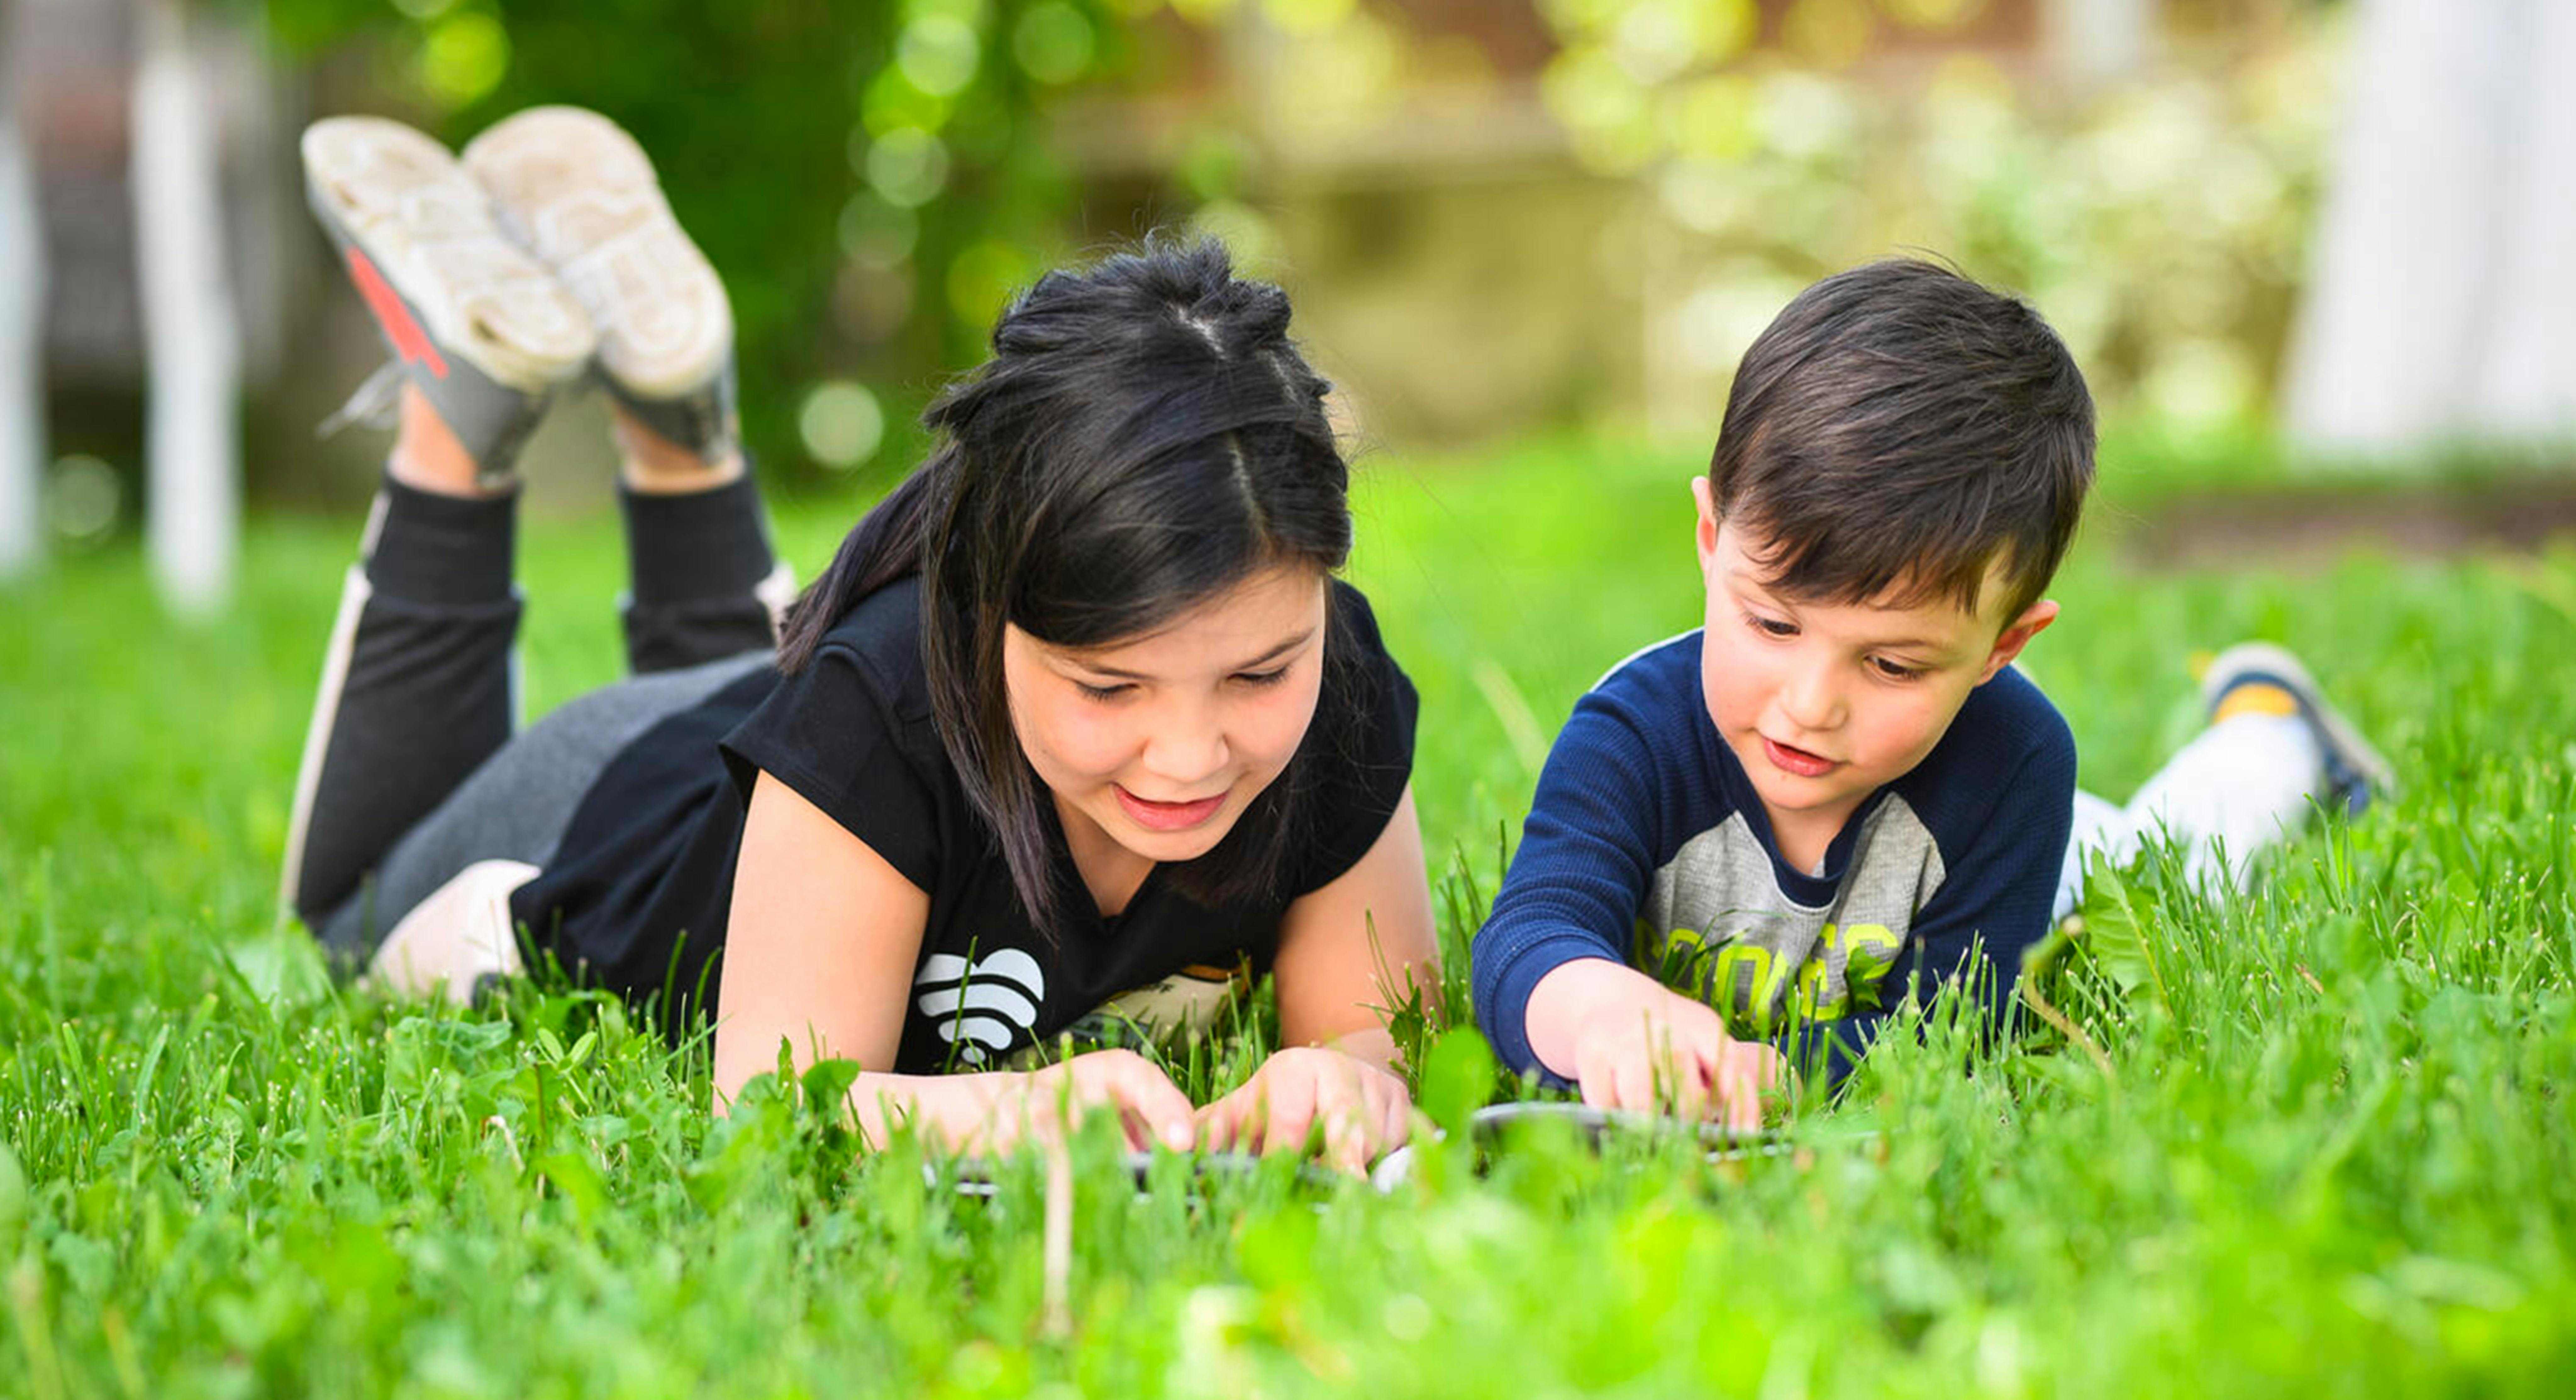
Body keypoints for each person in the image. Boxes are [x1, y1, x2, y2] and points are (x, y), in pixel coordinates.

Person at [281, 108, 1437, 1170]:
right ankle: (463, 410)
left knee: (813, 702)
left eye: (1259, 673)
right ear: (988, 613)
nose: (1188, 755)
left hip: (779, 744)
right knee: (340, 925)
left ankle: (682, 416)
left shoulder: (1337, 676)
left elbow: (1374, 1047)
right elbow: (779, 1107)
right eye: (1110, 688)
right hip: (594, 823)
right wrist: (1018, 1110)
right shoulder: (879, 707)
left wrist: (1339, 1085)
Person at [1468, 260, 2388, 1126]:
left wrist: (1779, 1081)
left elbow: (1953, 1030)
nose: (1810, 704)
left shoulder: (2017, 766)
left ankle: (2275, 731)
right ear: (1712, 541)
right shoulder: (1633, 735)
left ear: (2005, 644)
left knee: (2189, 850)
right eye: (1774, 625)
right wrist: (1596, 1012)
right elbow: (1533, 932)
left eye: (1894, 666)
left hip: (2067, 862)